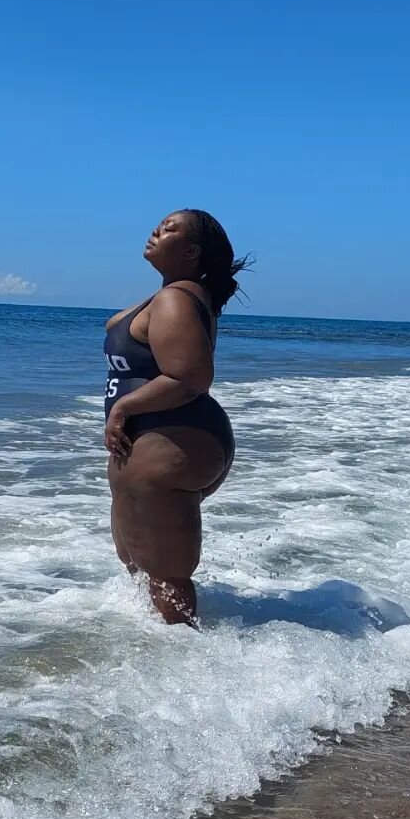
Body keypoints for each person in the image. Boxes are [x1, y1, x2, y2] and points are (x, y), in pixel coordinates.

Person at [103, 210, 247, 624]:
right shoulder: (172, 294)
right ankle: (163, 663)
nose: (155, 230)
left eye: (169, 229)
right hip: (158, 440)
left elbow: (190, 377)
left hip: (173, 440)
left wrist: (124, 409)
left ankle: (194, 671)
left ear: (190, 252)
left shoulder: (176, 298)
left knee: (167, 576)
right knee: (140, 562)